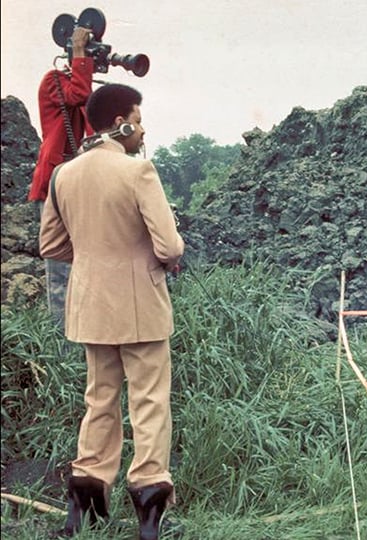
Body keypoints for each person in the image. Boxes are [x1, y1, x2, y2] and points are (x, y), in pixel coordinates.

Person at [40, 83, 184, 539]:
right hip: (140, 306)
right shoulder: (138, 171)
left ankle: (86, 494)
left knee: (99, 399)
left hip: (90, 307)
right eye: (138, 120)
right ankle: (148, 499)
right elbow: (169, 245)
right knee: (149, 402)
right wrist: (163, 256)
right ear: (121, 123)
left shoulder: (64, 175)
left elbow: (51, 245)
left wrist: (94, 259)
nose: (142, 130)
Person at [29, 25, 96, 320]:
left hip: (83, 185)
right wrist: (80, 51)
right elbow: (78, 93)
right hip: (56, 184)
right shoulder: (53, 81)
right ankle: (60, 346)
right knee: (59, 272)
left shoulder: (87, 93)